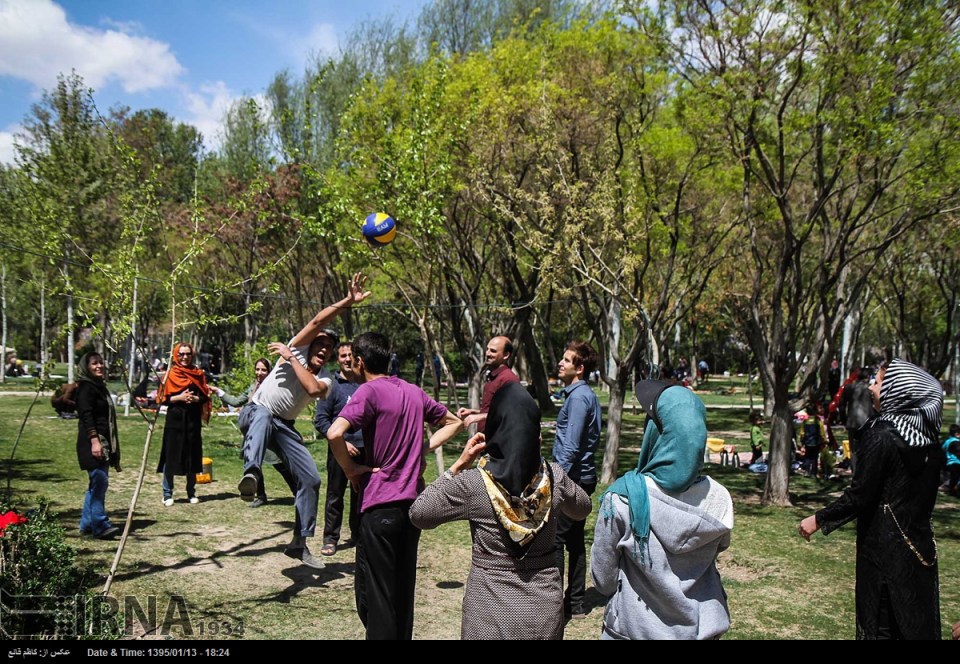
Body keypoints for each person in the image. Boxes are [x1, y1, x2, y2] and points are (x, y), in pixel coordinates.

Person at [410, 382, 591, 639]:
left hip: (489, 610)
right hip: (543, 610)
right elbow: (582, 509)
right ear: (535, 434)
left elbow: (420, 514)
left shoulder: (473, 484)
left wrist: (459, 465)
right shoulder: (555, 477)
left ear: (495, 429)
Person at [326, 332, 463, 640]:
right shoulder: (414, 391)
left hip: (379, 507)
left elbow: (334, 433)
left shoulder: (368, 391)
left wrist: (350, 470)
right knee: (402, 593)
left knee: (376, 597)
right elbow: (455, 422)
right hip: (412, 509)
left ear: (360, 362)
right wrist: (421, 449)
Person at [799, 359, 944, 640]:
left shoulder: (881, 436)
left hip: (883, 554)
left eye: (878, 383)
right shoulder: (929, 441)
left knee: (882, 626)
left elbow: (861, 495)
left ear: (897, 391)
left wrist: (819, 519)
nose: (871, 388)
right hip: (920, 552)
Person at [237, 273, 370, 569]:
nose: (324, 349)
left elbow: (312, 389)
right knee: (264, 414)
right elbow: (317, 321)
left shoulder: (325, 379)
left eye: (328, 348)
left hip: (284, 427)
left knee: (311, 479)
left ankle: (299, 542)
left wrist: (291, 359)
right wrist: (348, 301)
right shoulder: (296, 347)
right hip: (256, 413)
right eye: (319, 344)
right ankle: (252, 474)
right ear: (309, 344)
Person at [591, 380, 733, 640]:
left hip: (633, 631)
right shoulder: (720, 497)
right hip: (701, 629)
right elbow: (720, 547)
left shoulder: (622, 499)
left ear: (655, 433)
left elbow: (603, 580)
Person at [552, 340, 601, 619]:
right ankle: (576, 603)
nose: (561, 363)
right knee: (574, 540)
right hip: (579, 477)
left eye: (567, 360)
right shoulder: (579, 395)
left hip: (573, 478)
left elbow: (571, 447)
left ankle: (555, 606)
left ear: (579, 368)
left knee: (556, 540)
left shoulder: (579, 398)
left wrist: (554, 478)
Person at [217, 358, 296, 508]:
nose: (259, 373)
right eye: (257, 369)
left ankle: (298, 492)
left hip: (269, 433)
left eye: (263, 370)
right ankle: (260, 496)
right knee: (253, 465)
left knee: (280, 465)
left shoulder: (274, 387)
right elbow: (235, 402)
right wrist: (218, 392)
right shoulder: (252, 387)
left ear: (270, 371)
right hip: (253, 434)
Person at [314, 342, 364, 556]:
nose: (347, 359)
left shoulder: (365, 385)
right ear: (338, 360)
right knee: (335, 494)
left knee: (360, 494)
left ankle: (358, 535)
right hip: (338, 450)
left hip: (364, 450)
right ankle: (330, 539)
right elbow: (321, 420)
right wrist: (342, 442)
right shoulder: (332, 387)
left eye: (350, 355)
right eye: (343, 355)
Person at [156, 342, 210, 506]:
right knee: (171, 455)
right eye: (181, 354)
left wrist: (195, 399)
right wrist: (179, 398)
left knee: (192, 455)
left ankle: (191, 492)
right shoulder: (171, 374)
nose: (185, 357)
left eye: (188, 354)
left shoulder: (198, 373)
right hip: (175, 420)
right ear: (176, 355)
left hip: (192, 420)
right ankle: (167, 494)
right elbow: (161, 399)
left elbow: (204, 396)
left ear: (192, 355)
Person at [75, 352, 121, 539]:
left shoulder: (98, 386)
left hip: (102, 441)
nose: (99, 366)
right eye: (94, 363)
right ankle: (100, 525)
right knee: (100, 482)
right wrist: (95, 441)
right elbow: (86, 416)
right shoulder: (86, 388)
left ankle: (87, 524)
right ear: (86, 367)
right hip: (92, 443)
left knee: (96, 483)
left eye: (101, 362)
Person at [457, 335, 520, 433]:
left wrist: (480, 417)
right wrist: (473, 412)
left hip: (499, 438)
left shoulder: (508, 379)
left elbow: (512, 413)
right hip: (485, 438)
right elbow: (495, 410)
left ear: (506, 355)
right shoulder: (493, 377)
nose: (487, 353)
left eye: (493, 351)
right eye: (487, 349)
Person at [840, 367, 874, 472]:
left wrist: (844, 420)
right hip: (867, 422)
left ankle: (855, 473)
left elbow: (841, 405)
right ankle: (864, 472)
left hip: (852, 422)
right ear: (867, 377)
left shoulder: (848, 387)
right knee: (866, 448)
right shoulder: (871, 389)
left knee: (853, 450)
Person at [941, 424, 959, 497]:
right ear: (957, 434)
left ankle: (951, 489)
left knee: (954, 477)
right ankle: (952, 490)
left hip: (948, 463)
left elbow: (941, 449)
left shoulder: (947, 441)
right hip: (956, 463)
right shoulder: (956, 442)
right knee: (955, 476)